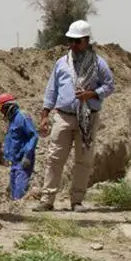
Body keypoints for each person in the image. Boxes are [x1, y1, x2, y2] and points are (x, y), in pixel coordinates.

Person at [36, 20, 116, 211]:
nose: (73, 45)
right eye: (70, 41)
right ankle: (47, 200)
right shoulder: (62, 63)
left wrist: (92, 94)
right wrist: (45, 115)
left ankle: (77, 201)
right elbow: (51, 90)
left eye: (77, 41)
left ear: (87, 41)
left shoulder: (98, 64)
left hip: (88, 117)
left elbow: (109, 85)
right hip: (63, 116)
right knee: (54, 158)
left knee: (83, 160)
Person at [0, 93, 38, 200]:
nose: (1, 112)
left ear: (7, 106)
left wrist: (28, 155)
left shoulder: (22, 117)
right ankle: (14, 208)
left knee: (19, 191)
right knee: (13, 189)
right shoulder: (12, 120)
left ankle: (19, 210)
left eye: (1, 108)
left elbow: (33, 135)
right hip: (14, 161)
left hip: (23, 160)